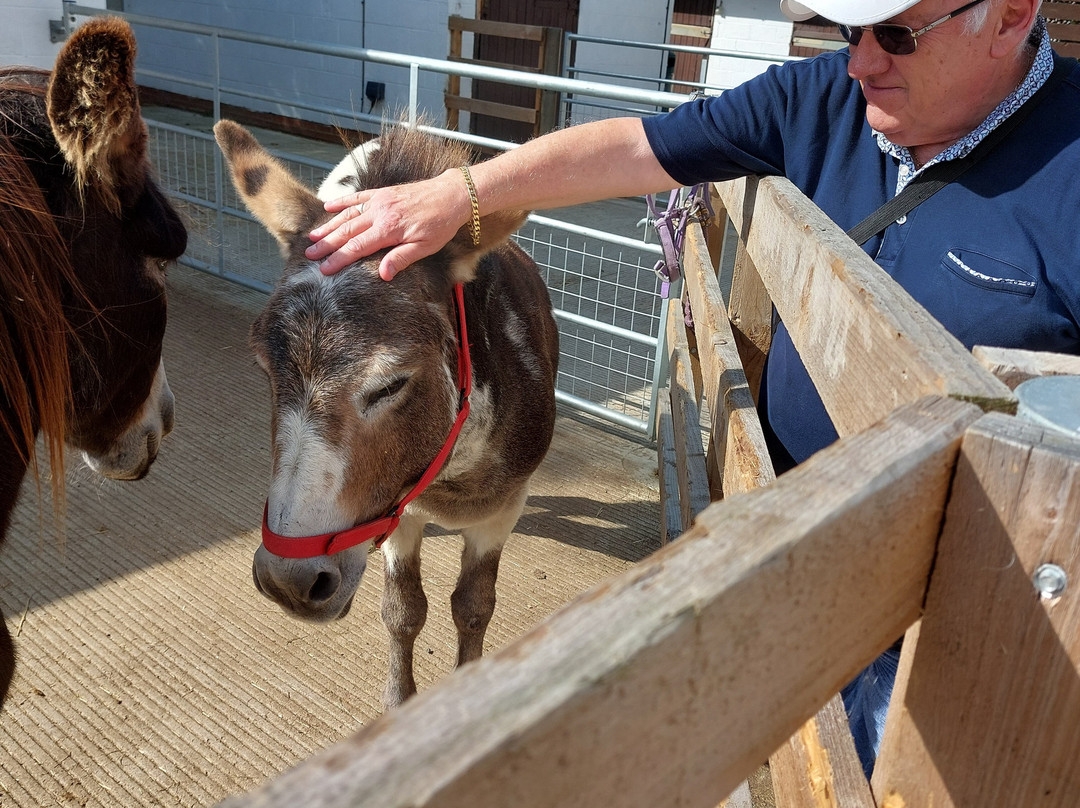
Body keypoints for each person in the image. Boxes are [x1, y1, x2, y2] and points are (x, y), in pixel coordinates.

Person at [306, 0, 1080, 776]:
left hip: (955, 607)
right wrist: (461, 195)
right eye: (850, 32)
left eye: (896, 35)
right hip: (789, 537)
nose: (860, 62)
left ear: (1010, 15)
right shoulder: (825, 98)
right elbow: (635, 147)